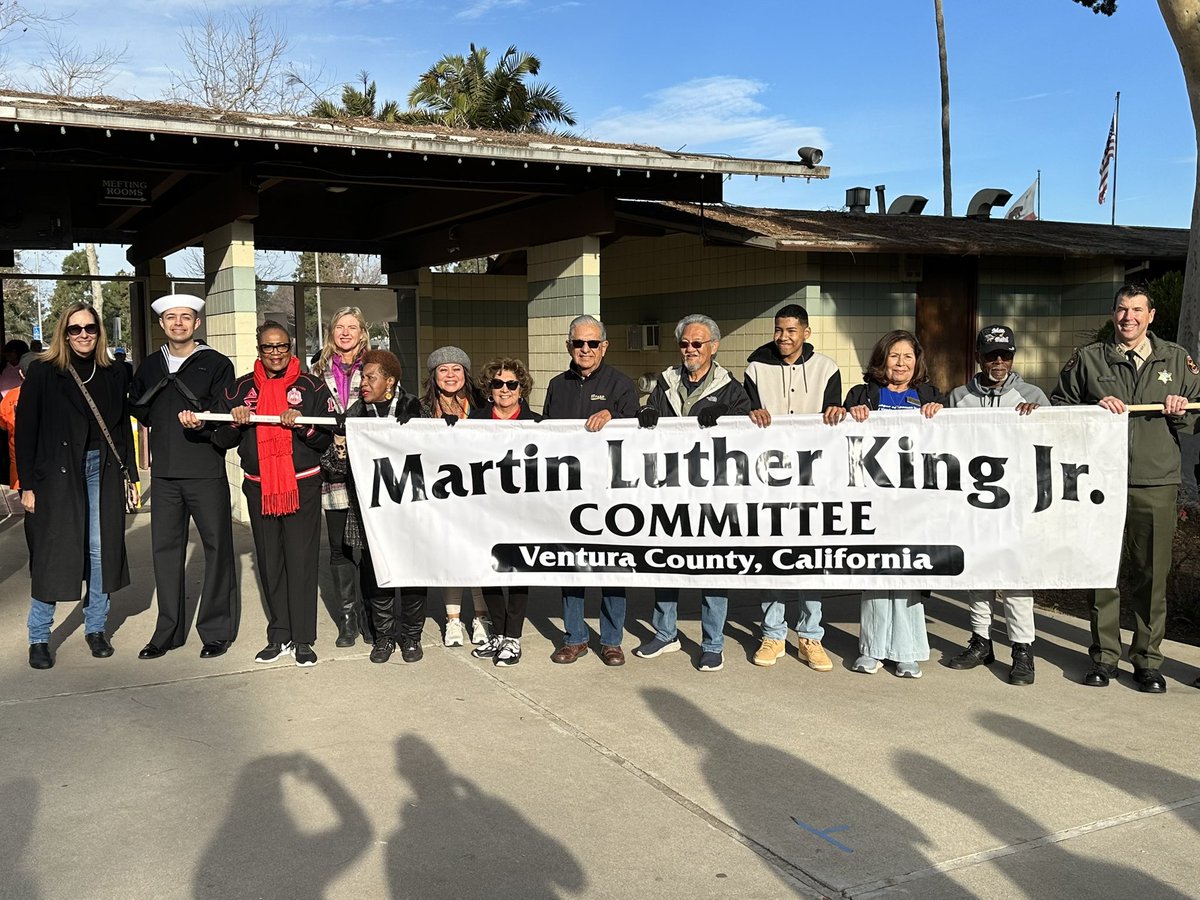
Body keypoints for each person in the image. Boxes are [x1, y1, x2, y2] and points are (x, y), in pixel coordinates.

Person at [1051, 284, 1200, 693]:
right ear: (1112, 313)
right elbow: (1058, 407)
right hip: (1100, 481)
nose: (1128, 317)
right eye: (1121, 309)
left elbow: (1196, 418)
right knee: (1103, 572)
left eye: (1137, 310)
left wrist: (1181, 411)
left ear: (1151, 315)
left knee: (1152, 575)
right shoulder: (1089, 359)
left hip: (1155, 482)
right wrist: (1090, 409)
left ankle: (1148, 660)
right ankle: (1103, 657)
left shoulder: (1177, 359)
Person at [200, 322, 333, 667]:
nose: (275, 353)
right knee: (270, 561)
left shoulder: (312, 386)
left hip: (301, 484)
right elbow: (220, 440)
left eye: (282, 346)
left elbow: (325, 440)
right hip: (259, 486)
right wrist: (236, 422)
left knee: (301, 562)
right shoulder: (240, 388)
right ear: (258, 349)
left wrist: (303, 424)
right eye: (268, 347)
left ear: (292, 348)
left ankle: (303, 639)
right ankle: (280, 635)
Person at [16, 302, 139, 669]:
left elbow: (120, 431)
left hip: (101, 467)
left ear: (100, 332)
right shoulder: (43, 372)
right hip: (55, 473)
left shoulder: (115, 372)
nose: (83, 334)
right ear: (64, 334)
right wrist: (27, 485)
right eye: (75, 329)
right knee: (54, 553)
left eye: (90, 328)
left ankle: (95, 628)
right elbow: (26, 431)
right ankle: (39, 636)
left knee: (100, 551)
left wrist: (130, 474)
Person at [633, 314, 751, 672]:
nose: (690, 349)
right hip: (669, 488)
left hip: (712, 493)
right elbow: (647, 415)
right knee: (667, 562)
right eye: (684, 343)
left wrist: (730, 416)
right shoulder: (666, 381)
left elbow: (748, 433)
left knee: (711, 566)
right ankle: (665, 633)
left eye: (697, 343)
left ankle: (712, 643)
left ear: (713, 347)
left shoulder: (732, 389)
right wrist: (646, 412)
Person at [823, 329, 943, 678]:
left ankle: (906, 651)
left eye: (908, 356)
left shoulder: (930, 395)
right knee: (875, 573)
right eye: (894, 356)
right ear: (882, 360)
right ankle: (873, 649)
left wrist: (939, 413)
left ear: (917, 361)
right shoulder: (861, 393)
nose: (901, 363)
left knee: (907, 575)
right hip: (873, 499)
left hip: (913, 501)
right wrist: (848, 412)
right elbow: (836, 433)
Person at [130, 294, 239, 660]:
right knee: (165, 553)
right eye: (171, 318)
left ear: (197, 323)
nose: (179, 323)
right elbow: (141, 409)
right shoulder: (148, 366)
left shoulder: (217, 364)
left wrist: (204, 419)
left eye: (186, 317)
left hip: (205, 471)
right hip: (164, 476)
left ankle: (215, 631)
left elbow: (225, 413)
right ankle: (168, 631)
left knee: (218, 549)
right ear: (162, 324)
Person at [945, 324, 1049, 686]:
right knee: (978, 573)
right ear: (979, 357)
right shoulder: (959, 396)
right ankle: (981, 640)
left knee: (1017, 577)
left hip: (1016, 502)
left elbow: (1050, 444)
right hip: (973, 502)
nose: (999, 361)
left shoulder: (1032, 393)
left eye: (1006, 354)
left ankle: (1022, 649)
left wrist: (1037, 416)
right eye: (992, 355)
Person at [745, 304, 841, 672]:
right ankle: (772, 633)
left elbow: (835, 414)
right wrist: (751, 414)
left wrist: (837, 412)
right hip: (768, 478)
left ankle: (810, 636)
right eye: (778, 330)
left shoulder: (827, 368)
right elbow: (748, 416)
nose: (783, 337)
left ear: (806, 332)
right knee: (773, 555)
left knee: (810, 558)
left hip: (812, 479)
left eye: (791, 330)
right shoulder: (755, 367)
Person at [543, 314, 639, 667]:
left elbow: (640, 431)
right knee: (572, 566)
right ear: (569, 345)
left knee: (611, 568)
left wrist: (613, 415)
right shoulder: (557, 384)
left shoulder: (621, 384)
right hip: (570, 493)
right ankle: (575, 637)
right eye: (578, 343)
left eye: (592, 343)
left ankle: (612, 640)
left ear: (604, 346)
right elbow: (546, 436)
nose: (585, 349)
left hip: (611, 494)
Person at [342, 349, 427, 664]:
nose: (363, 383)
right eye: (362, 377)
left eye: (370, 377)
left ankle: (412, 637)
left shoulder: (416, 408)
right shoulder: (354, 414)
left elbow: (436, 454)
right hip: (370, 513)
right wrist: (340, 447)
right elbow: (336, 468)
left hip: (410, 509)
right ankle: (384, 638)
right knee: (378, 575)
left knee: (413, 575)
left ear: (390, 381)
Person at [469, 357, 541, 667]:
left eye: (512, 384)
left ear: (521, 388)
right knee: (489, 570)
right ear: (489, 389)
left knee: (517, 572)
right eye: (498, 384)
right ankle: (497, 633)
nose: (505, 389)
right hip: (485, 510)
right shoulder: (474, 422)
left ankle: (513, 636)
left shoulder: (539, 423)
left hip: (523, 510)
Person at [419, 346, 488, 648]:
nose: (450, 375)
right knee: (451, 555)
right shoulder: (419, 408)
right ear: (433, 376)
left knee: (479, 556)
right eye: (443, 369)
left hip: (479, 493)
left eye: (456, 369)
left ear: (465, 373)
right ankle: (453, 620)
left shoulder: (483, 405)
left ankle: (482, 617)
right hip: (439, 495)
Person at [310, 307, 371, 648]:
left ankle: (370, 614)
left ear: (362, 332)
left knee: (370, 545)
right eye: (339, 327)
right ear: (331, 332)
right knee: (339, 546)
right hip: (332, 464)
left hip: (367, 467)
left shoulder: (378, 366)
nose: (345, 333)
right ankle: (348, 618)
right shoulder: (316, 370)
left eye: (352, 327)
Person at [0, 352, 35, 489]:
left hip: (19, 463)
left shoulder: (11, 396)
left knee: (27, 504)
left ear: (20, 373)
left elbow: (3, 425)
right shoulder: (53, 394)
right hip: (48, 464)